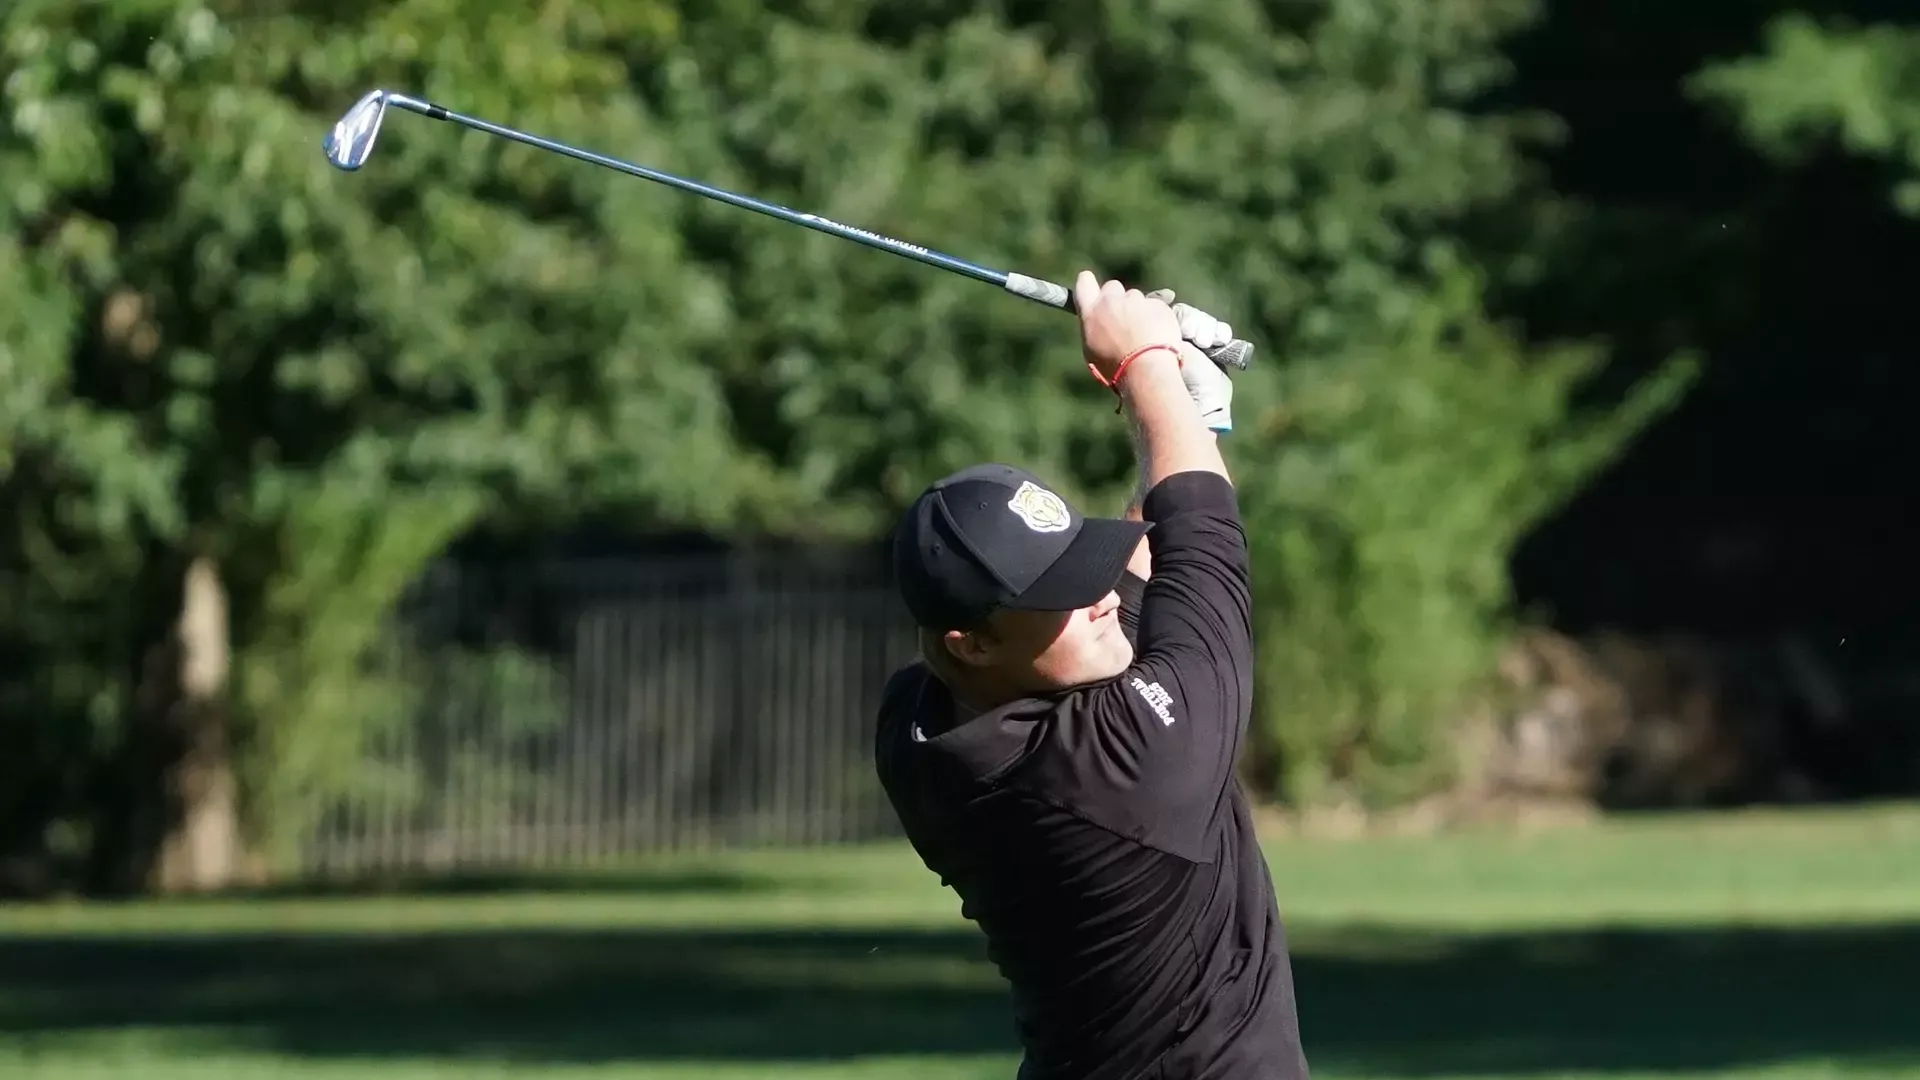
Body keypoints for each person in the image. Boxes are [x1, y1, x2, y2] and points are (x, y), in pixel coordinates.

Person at [874, 271, 1309, 1080]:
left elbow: (1146, 573)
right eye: (1062, 596)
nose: (1101, 598)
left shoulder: (921, 725)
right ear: (971, 642)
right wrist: (1143, 363)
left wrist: (1182, 417)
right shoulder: (1123, 771)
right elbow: (1204, 544)